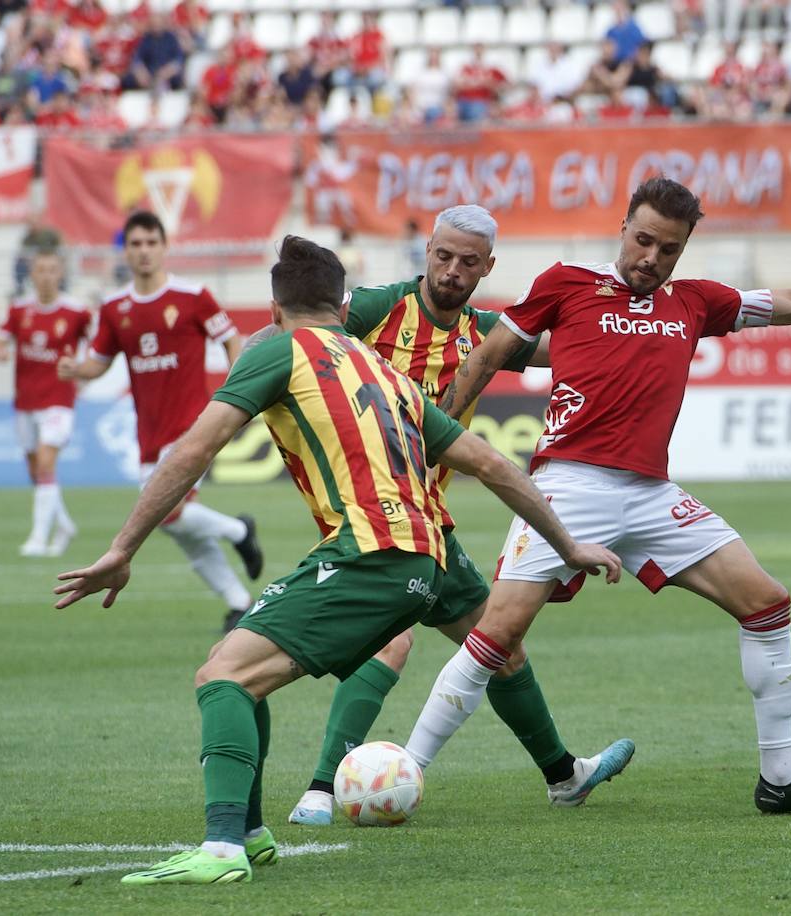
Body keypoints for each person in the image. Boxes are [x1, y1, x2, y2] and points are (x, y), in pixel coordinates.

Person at [53, 235, 622, 886]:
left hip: (372, 554)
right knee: (242, 668)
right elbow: (491, 462)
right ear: (340, 302)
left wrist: (122, 548)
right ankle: (253, 834)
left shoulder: (277, 350)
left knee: (224, 678)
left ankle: (221, 849)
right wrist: (567, 544)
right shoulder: (386, 373)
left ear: (275, 307)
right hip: (429, 553)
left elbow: (190, 452)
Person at [402, 177, 791, 815]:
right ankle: (408, 771)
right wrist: (432, 445)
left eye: (667, 248)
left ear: (683, 248)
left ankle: (780, 780)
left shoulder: (696, 303)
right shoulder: (566, 283)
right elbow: (482, 360)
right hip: (568, 484)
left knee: (766, 602)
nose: (651, 258)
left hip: (649, 494)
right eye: (643, 240)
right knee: (496, 632)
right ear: (624, 228)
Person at [286, 204, 635, 827]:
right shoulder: (373, 309)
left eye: (467, 262)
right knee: (391, 642)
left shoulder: (489, 335)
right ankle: (319, 791)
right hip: (368, 511)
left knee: (500, 646)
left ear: (488, 267)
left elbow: (578, 351)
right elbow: (293, 340)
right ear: (426, 251)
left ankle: (564, 776)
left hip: (427, 518)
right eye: (442, 256)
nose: (451, 270)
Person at [57, 211, 262, 633]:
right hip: (149, 435)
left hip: (193, 427)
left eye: (151, 242)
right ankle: (238, 601)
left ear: (164, 247)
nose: (144, 251)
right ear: (126, 251)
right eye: (136, 244)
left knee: (166, 515)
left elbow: (231, 338)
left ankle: (239, 531)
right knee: (184, 530)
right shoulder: (115, 308)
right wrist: (75, 370)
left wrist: (237, 390)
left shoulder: (192, 296)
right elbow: (98, 364)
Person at [0, 250, 92, 557]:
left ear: (61, 274)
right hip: (25, 402)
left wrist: (84, 369)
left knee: (47, 462)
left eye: (52, 270)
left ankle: (37, 538)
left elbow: (100, 343)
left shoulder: (77, 312)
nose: (46, 275)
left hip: (59, 400)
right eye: (40, 270)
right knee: (37, 471)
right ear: (32, 274)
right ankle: (63, 525)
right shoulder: (19, 310)